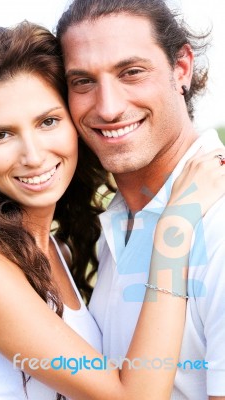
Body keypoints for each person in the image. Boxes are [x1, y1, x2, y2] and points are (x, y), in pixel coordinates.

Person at [0, 20, 224, 400]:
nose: (32, 157)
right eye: (1, 134)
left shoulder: (56, 251)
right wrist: (175, 228)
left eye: (48, 122)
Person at [56, 0, 225, 399]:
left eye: (131, 72)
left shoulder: (217, 224)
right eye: (82, 82)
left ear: (181, 67)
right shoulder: (118, 221)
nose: (109, 107)